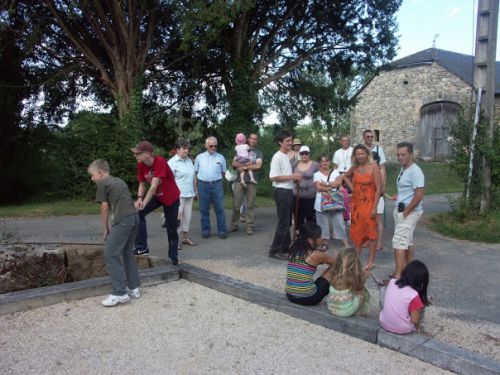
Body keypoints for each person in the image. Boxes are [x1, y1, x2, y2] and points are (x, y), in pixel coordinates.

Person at [87, 159, 141, 307]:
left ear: (100, 172)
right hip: (135, 218)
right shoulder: (119, 181)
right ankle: (134, 288)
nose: (92, 178)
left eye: (92, 175)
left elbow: (105, 208)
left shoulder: (102, 183)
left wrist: (106, 229)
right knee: (127, 252)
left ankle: (120, 293)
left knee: (110, 254)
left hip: (122, 220)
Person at [131, 141, 180, 265]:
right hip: (158, 196)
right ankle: (141, 248)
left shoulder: (160, 161)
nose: (135, 156)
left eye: (138, 154)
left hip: (170, 197)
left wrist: (143, 204)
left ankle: (173, 258)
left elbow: (153, 185)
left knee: (171, 228)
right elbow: (142, 184)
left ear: (147, 153)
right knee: (138, 215)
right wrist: (140, 198)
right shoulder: (141, 165)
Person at [388, 142, 425, 279]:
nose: (399, 157)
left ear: (411, 154)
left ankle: (398, 276)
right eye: (398, 154)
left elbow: (419, 194)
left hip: (410, 212)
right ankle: (410, 273)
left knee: (398, 242)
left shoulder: (416, 171)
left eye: (403, 154)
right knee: (407, 242)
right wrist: (399, 197)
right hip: (402, 209)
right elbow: (408, 190)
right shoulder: (404, 169)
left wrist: (406, 211)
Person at [343, 144, 381, 270]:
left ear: (366, 153)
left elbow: (379, 188)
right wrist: (353, 188)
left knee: (371, 233)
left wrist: (375, 207)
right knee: (358, 231)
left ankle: (371, 261)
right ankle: (357, 259)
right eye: (357, 154)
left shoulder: (374, 166)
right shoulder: (355, 167)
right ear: (355, 156)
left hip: (370, 204)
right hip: (356, 205)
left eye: (362, 153)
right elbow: (344, 176)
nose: (360, 156)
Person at [269, 130, 302, 260]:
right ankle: (275, 250)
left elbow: (284, 176)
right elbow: (273, 177)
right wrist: (292, 176)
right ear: (280, 142)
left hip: (287, 190)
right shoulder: (278, 156)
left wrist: (293, 179)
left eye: (290, 140)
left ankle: (285, 247)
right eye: (287, 141)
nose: (290, 143)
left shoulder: (285, 156)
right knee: (283, 222)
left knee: (287, 222)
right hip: (282, 191)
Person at [285, 222, 337, 306]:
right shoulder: (316, 255)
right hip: (308, 298)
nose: (322, 238)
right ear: (310, 240)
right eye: (319, 236)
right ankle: (343, 294)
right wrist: (335, 253)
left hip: (290, 295)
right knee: (334, 267)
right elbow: (338, 261)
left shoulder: (293, 249)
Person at [380, 260, 430, 334]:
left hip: (383, 323)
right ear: (421, 280)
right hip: (402, 329)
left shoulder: (392, 282)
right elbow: (414, 320)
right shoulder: (414, 295)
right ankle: (418, 331)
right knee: (418, 308)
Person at [194, 136, 228, 239]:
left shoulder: (221, 157)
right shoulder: (199, 157)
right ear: (206, 146)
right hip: (203, 186)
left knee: (220, 209)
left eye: (215, 146)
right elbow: (195, 173)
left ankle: (222, 230)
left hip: (216, 185)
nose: (213, 148)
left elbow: (223, 172)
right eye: (211, 146)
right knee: (204, 210)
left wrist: (214, 180)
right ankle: (206, 230)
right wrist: (195, 189)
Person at [313, 154, 349, 249]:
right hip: (321, 202)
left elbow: (338, 183)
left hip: (334, 200)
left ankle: (345, 243)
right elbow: (318, 187)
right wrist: (332, 186)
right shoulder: (316, 174)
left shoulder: (335, 172)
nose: (325, 163)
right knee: (322, 223)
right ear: (320, 163)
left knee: (339, 222)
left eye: (327, 160)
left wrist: (326, 184)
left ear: (330, 162)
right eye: (323, 161)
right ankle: (324, 242)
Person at [230, 133, 263, 235]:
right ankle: (234, 225)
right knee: (236, 204)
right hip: (239, 181)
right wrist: (247, 164)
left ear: (257, 141)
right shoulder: (240, 148)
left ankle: (249, 226)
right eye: (252, 138)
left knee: (250, 205)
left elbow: (258, 166)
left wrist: (244, 168)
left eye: (255, 139)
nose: (253, 140)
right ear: (248, 139)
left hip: (251, 182)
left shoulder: (258, 153)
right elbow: (233, 163)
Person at [168, 139, 197, 250]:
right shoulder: (172, 163)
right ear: (177, 150)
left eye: (187, 148)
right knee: (177, 218)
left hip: (189, 194)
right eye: (184, 148)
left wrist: (196, 190)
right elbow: (168, 181)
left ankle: (185, 238)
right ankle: (175, 240)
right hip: (177, 195)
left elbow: (193, 176)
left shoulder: (189, 161)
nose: (186, 150)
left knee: (187, 217)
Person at [327, 248, 371, 317]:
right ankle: (363, 314)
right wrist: (364, 277)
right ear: (355, 265)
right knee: (364, 293)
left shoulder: (334, 274)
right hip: (346, 311)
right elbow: (359, 288)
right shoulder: (353, 278)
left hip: (332, 308)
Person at [292, 145, 319, 232]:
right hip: (297, 195)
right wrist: (294, 180)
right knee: (298, 217)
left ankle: (311, 236)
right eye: (302, 153)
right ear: (299, 154)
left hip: (311, 196)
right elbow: (290, 175)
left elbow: (319, 177)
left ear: (309, 154)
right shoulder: (295, 164)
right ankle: (298, 235)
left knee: (310, 217)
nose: (304, 155)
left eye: (306, 153)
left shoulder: (315, 165)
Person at [373, 152, 387, 251]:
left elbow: (381, 185)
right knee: (369, 220)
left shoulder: (381, 170)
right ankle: (369, 240)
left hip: (378, 197)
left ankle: (378, 243)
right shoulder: (369, 169)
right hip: (370, 197)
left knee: (378, 221)